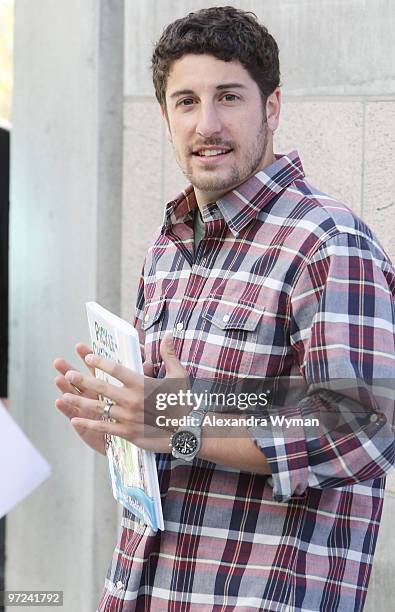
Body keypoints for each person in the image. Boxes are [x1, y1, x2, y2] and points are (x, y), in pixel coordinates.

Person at [54, 6, 395, 611]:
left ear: (272, 107)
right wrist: (125, 429)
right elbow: (178, 431)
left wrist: (187, 421)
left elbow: (361, 426)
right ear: (165, 118)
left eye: (229, 97)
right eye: (185, 101)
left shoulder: (327, 241)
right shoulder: (169, 246)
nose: (206, 123)